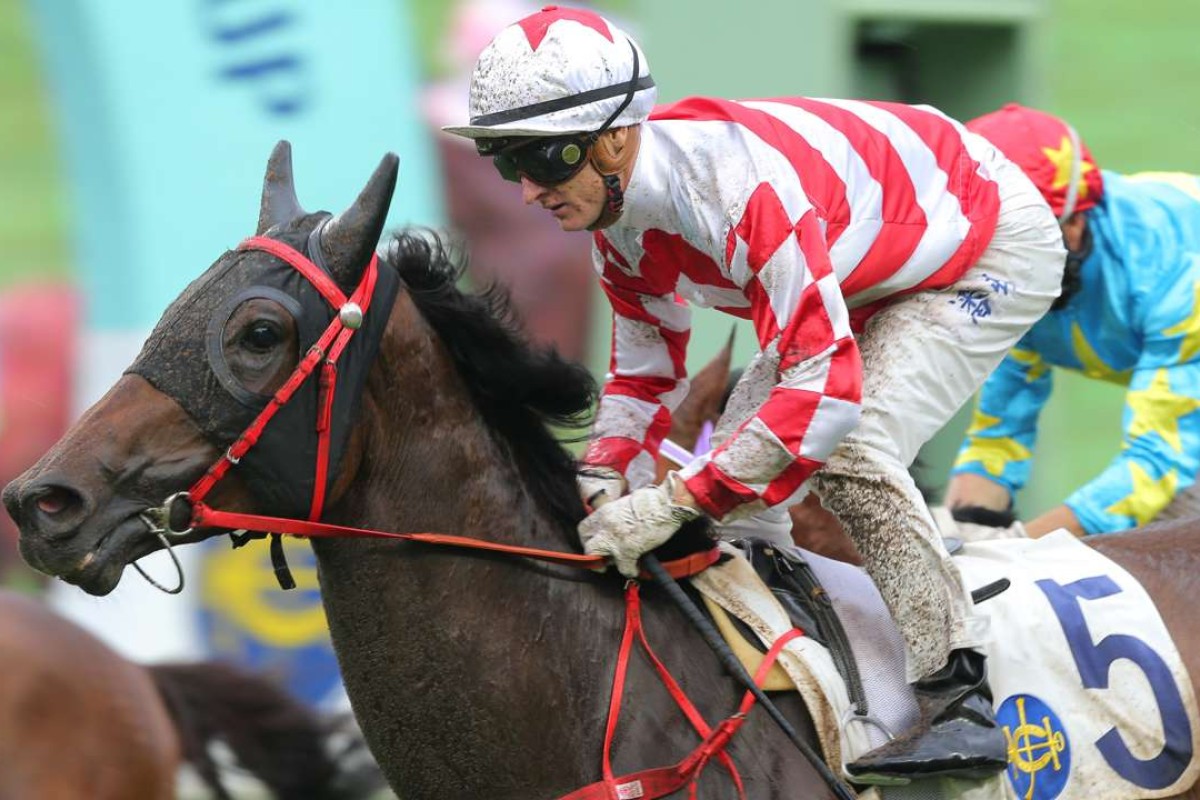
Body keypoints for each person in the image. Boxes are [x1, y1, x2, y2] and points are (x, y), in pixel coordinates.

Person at [444, 6, 1065, 781]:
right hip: (873, 260)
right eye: (509, 164)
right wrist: (601, 478)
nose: (530, 191)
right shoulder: (617, 224)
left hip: (988, 239)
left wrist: (671, 504)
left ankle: (961, 694)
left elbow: (825, 397)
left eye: (544, 159)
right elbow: (642, 378)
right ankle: (805, 686)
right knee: (744, 487)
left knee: (849, 445)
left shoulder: (739, 194)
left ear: (615, 138)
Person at [946, 104, 1200, 538]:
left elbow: (1160, 463)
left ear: (1076, 221)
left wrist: (1023, 554)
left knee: (1169, 528)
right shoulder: (1010, 280)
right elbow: (998, 436)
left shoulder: (1171, 271)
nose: (1001, 269)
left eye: (1021, 244)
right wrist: (959, 538)